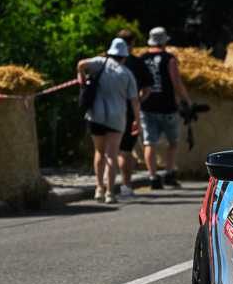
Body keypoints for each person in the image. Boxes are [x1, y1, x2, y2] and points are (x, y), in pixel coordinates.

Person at [77, 37, 141, 205]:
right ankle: (110, 192)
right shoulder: (127, 74)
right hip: (117, 117)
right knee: (111, 155)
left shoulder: (100, 63)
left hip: (96, 115)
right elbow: (134, 101)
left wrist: (81, 77)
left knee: (99, 152)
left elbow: (81, 64)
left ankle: (99, 188)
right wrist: (137, 120)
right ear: (124, 56)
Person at [140, 27, 192, 189]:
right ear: (164, 41)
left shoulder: (142, 58)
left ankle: (152, 176)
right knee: (173, 142)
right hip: (167, 106)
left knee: (150, 142)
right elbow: (176, 82)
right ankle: (169, 173)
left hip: (147, 105)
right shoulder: (169, 59)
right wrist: (187, 100)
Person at [115, 28, 151, 198]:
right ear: (132, 43)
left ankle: (103, 188)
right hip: (129, 112)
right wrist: (136, 103)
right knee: (125, 150)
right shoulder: (137, 63)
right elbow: (147, 89)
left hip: (104, 112)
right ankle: (126, 186)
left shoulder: (104, 62)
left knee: (105, 152)